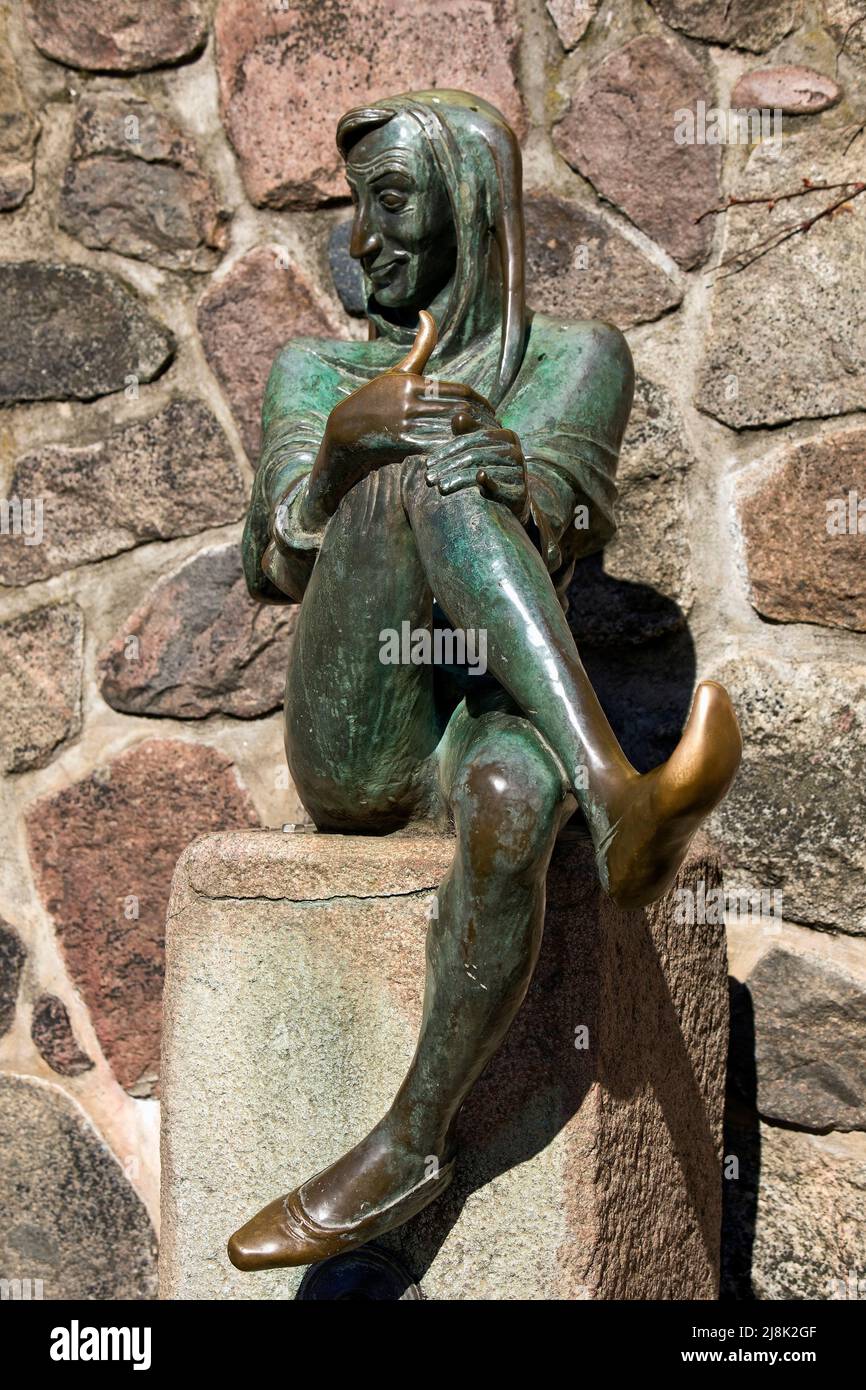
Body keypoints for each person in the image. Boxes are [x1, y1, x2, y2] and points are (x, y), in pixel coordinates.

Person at [229, 91, 741, 1269]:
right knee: (427, 466)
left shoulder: (578, 359)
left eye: (391, 199)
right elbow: (270, 565)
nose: (363, 238)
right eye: (357, 206)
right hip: (364, 740)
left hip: (483, 727)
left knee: (516, 799)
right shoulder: (316, 368)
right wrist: (347, 444)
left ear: (470, 205)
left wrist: (522, 480)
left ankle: (409, 1141)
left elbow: (562, 516)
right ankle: (617, 792)